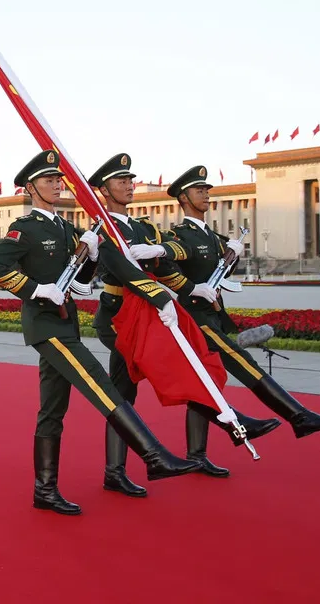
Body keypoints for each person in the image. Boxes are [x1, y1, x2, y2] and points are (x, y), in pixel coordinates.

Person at [0, 150, 201, 516]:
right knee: (101, 384)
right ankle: (154, 455)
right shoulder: (27, 228)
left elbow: (81, 283)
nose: (56, 184)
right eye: (48, 180)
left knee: (52, 410)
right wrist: (36, 289)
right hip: (46, 327)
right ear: (31, 188)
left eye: (58, 179)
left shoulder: (66, 228)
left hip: (65, 324)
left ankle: (44, 490)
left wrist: (92, 257)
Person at [86, 154, 281, 496]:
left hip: (144, 314)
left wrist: (192, 289)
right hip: (118, 318)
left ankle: (119, 471)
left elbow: (161, 267)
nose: (129, 186)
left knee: (128, 393)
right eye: (121, 181)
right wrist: (162, 298)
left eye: (131, 180)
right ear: (103, 189)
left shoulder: (144, 227)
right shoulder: (103, 227)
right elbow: (123, 272)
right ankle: (230, 420)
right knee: (159, 373)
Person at [152, 166, 320, 440]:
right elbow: (162, 265)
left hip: (214, 315)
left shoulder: (212, 236)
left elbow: (224, 273)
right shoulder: (178, 235)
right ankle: (298, 416)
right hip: (195, 317)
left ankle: (198, 454)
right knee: (242, 361)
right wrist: (192, 287)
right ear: (183, 198)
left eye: (206, 190)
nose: (205, 194)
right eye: (199, 190)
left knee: (206, 382)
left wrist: (233, 256)